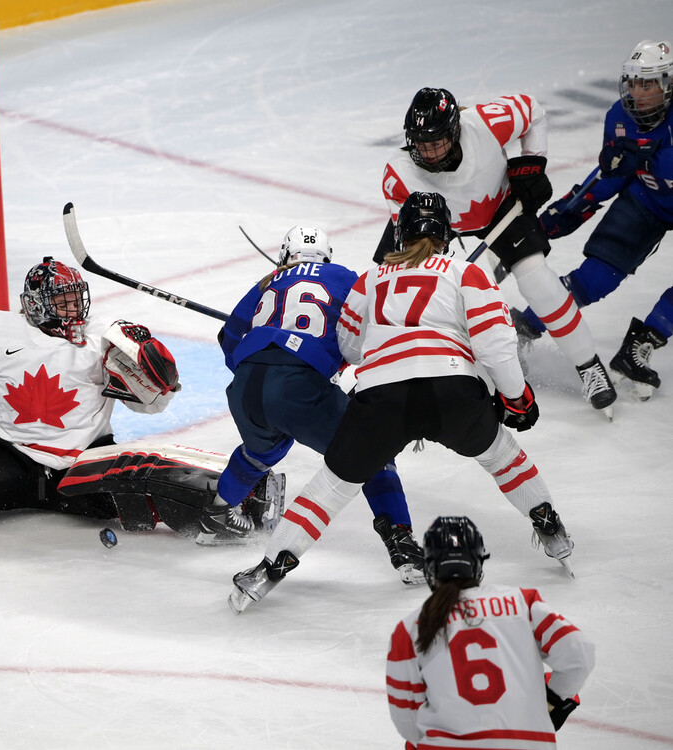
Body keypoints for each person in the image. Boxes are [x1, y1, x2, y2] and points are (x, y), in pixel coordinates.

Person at [229, 192, 575, 614]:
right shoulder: (465, 272)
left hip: (382, 397)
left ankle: (268, 570)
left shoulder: (371, 279)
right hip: (452, 392)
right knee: (501, 455)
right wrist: (517, 398)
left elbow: (351, 347)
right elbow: (496, 344)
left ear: (399, 232)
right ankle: (550, 527)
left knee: (332, 487)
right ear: (447, 234)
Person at [0, 257, 281, 543]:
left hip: (83, 463)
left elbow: (152, 405)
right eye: (64, 301)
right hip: (7, 459)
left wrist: (158, 374)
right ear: (38, 304)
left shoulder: (104, 339)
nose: (76, 309)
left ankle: (245, 495)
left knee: (149, 474)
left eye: (77, 299)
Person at [374, 87, 617, 417]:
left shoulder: (485, 124)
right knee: (398, 289)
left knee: (537, 282)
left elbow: (533, 111)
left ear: (455, 131)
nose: (428, 153)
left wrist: (533, 164)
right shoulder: (399, 175)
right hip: (435, 225)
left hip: (503, 207)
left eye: (436, 142)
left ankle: (588, 365)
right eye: (420, 143)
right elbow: (410, 241)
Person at [214, 226, 424, 584]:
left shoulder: (268, 281)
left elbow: (229, 337)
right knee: (371, 450)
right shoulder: (345, 278)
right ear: (327, 255)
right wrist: (316, 361)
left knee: (260, 451)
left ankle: (218, 515)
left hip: (245, 388)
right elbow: (372, 331)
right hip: (296, 384)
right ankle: (401, 543)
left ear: (285, 255)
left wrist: (262, 361)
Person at [513, 40, 672, 402]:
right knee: (595, 279)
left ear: (668, 84)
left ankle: (641, 344)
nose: (638, 92)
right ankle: (523, 326)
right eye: (634, 83)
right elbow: (610, 176)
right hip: (647, 200)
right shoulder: (619, 117)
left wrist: (653, 158)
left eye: (648, 84)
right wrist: (561, 215)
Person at [386, 516, 595, 748]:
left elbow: (407, 723)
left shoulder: (409, 628)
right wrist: (548, 702)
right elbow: (579, 655)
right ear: (479, 561)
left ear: (430, 567)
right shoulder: (522, 603)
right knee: (547, 686)